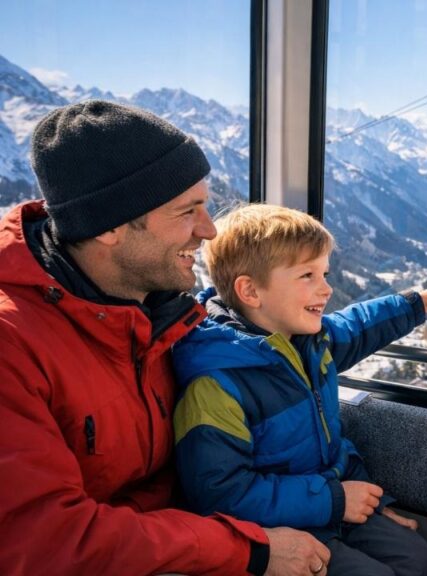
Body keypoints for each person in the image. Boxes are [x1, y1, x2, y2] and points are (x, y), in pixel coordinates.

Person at [0, 100, 330, 575]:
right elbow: (49, 541)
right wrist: (247, 550)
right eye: (186, 211)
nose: (209, 230)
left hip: (176, 538)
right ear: (109, 226)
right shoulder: (15, 344)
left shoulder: (162, 314)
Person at [172, 204, 427, 576]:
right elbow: (220, 494)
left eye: (325, 273)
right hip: (275, 525)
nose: (326, 288)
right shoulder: (217, 383)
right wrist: (333, 500)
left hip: (330, 500)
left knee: (418, 558)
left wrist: (419, 304)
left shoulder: (309, 342)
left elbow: (359, 326)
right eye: (308, 275)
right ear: (250, 290)